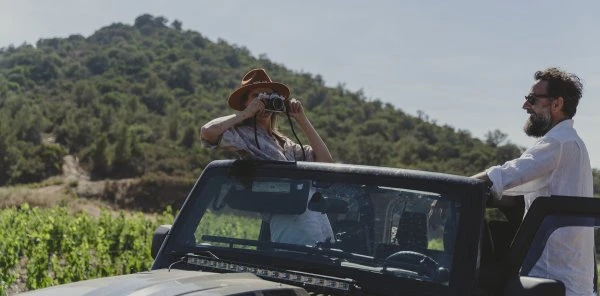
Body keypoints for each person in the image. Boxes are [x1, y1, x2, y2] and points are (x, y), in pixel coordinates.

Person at [472, 67, 594, 296]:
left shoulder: (559, 143)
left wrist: (459, 190)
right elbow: (515, 194)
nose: (525, 105)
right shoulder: (569, 143)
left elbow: (505, 174)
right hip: (562, 285)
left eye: (532, 99)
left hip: (551, 284)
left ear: (556, 104)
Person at [201, 68, 334, 246]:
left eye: (269, 96)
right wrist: (246, 114)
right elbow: (208, 132)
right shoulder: (242, 136)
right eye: (257, 95)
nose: (264, 100)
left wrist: (301, 119)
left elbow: (325, 162)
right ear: (246, 102)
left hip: (317, 218)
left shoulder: (284, 142)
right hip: (287, 219)